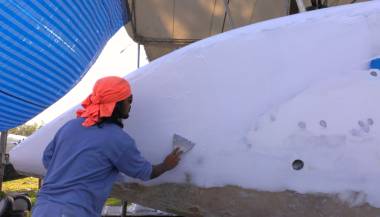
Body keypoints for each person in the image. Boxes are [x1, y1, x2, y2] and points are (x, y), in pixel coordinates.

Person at [32, 76, 182, 217]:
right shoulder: (117, 139)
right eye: (129, 100)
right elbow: (145, 172)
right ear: (117, 104)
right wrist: (166, 165)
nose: (130, 105)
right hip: (73, 211)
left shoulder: (70, 126)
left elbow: (47, 159)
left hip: (42, 208)